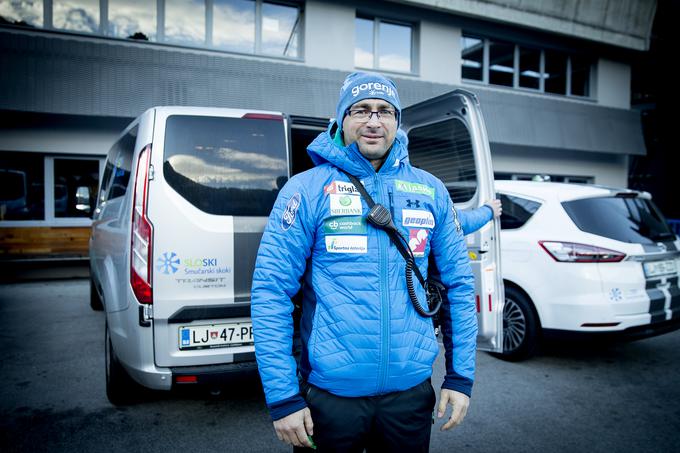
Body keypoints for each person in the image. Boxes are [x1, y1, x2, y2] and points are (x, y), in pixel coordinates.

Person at [250, 71, 477, 452]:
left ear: (397, 122)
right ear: (342, 119)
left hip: (409, 396)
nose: (374, 120)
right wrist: (283, 398)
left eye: (385, 111)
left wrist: (460, 378)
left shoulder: (430, 190)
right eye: (361, 110)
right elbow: (271, 292)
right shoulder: (307, 189)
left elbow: (458, 286)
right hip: (330, 398)